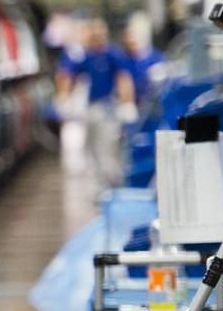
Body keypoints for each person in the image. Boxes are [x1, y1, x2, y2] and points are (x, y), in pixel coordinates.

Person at [56, 17, 135, 187]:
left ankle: (115, 187)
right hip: (88, 109)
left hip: (107, 109)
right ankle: (101, 190)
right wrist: (64, 98)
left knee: (108, 149)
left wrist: (127, 103)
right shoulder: (83, 55)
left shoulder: (112, 54)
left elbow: (123, 79)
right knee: (92, 151)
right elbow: (67, 75)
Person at [122, 14, 168, 104]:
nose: (131, 39)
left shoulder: (156, 57)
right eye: (129, 35)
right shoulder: (123, 59)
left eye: (134, 35)